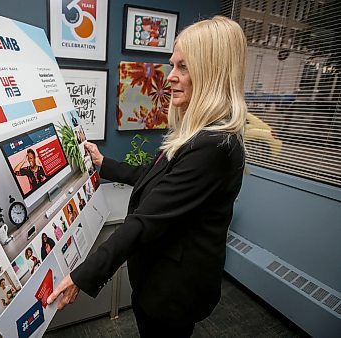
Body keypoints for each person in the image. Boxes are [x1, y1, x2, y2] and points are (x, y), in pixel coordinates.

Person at [48, 16, 247, 338]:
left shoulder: (214, 145)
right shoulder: (197, 133)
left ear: (211, 72)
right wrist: (103, 162)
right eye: (173, 65)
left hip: (174, 288)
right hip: (158, 274)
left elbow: (146, 220)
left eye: (184, 67)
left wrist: (82, 276)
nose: (171, 78)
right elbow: (156, 179)